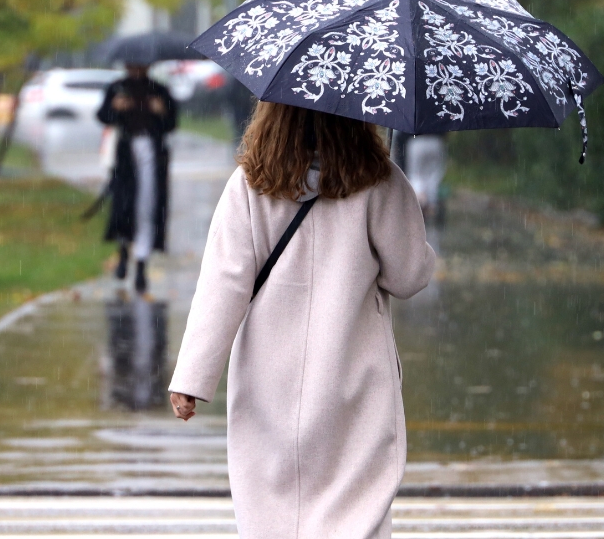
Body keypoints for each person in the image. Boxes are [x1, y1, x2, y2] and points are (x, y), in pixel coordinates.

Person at [167, 102, 436, 538]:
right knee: (353, 504)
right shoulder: (378, 182)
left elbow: (223, 283)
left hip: (269, 377)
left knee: (273, 505)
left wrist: (192, 378)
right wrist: (418, 247)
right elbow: (407, 277)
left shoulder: (251, 185)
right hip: (352, 374)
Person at [97, 63, 177, 292]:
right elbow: (103, 116)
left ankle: (141, 264)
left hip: (152, 155)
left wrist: (161, 111)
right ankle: (123, 254)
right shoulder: (118, 88)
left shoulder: (158, 90)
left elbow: (171, 123)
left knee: (147, 207)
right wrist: (115, 108)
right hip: (124, 157)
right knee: (124, 207)